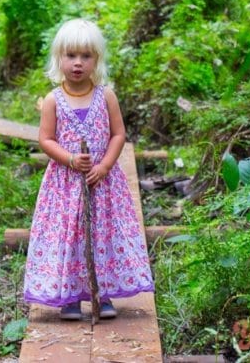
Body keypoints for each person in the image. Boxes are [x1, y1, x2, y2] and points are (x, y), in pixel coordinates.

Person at [23, 18, 155, 320]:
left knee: (101, 235)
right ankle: (69, 298)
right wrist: (69, 158)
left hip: (102, 186)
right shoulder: (52, 100)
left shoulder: (105, 95)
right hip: (65, 187)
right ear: (59, 58)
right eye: (71, 56)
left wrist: (105, 165)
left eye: (86, 56)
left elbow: (118, 134)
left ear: (97, 60)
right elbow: (45, 139)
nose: (78, 63)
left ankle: (102, 293)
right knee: (69, 238)